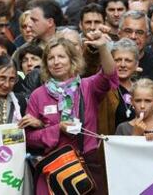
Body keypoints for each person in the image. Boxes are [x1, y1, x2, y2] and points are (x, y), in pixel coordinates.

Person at [25, 31, 118, 194]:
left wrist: (103, 47)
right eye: (51, 58)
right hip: (54, 170)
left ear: (72, 60)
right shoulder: (38, 95)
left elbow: (109, 74)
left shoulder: (88, 86)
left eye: (61, 56)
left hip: (86, 167)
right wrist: (56, 129)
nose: (56, 62)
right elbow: (29, 138)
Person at [98, 38, 139, 135]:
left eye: (128, 60)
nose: (122, 65)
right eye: (117, 60)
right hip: (110, 146)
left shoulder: (142, 89)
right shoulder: (103, 87)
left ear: (136, 64)